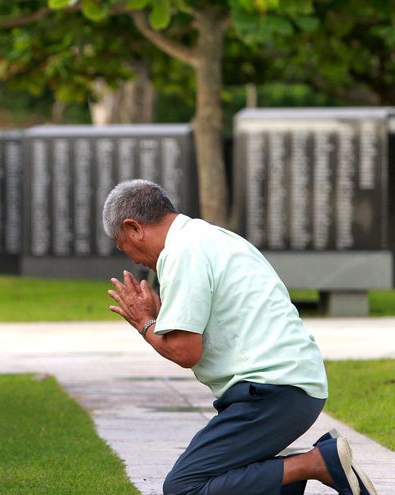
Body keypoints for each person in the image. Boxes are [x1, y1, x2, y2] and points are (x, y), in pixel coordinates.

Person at [102, 179, 376, 495]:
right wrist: (160, 316)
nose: (134, 260)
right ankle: (313, 466)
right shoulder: (210, 237)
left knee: (183, 487)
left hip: (271, 391)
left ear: (134, 228)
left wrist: (144, 323)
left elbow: (184, 351)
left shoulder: (181, 253)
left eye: (124, 246)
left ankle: (317, 462)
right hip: (292, 386)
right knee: (236, 479)